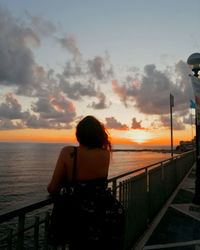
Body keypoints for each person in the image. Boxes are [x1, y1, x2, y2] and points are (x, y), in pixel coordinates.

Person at [47, 115, 124, 249]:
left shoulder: (68, 152)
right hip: (105, 212)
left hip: (80, 217)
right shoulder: (105, 154)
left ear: (79, 134)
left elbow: (52, 188)